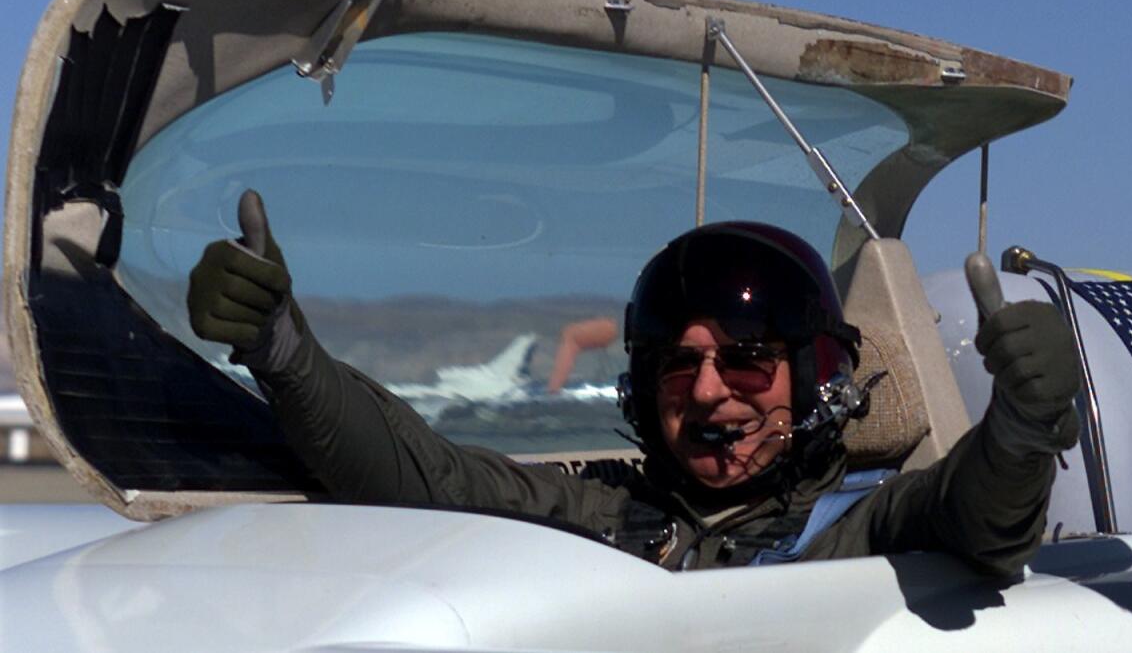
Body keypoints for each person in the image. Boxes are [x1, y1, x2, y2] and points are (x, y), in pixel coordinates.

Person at [187, 190, 1081, 572]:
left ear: (812, 378)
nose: (706, 393)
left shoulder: (871, 521)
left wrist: (1020, 429)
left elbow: (983, 522)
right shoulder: (605, 517)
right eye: (677, 365)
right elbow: (424, 480)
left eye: (744, 357)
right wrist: (284, 351)